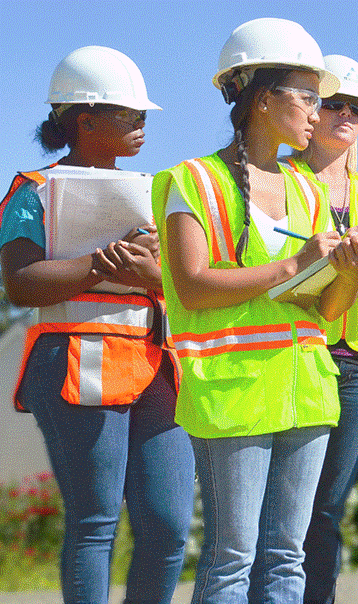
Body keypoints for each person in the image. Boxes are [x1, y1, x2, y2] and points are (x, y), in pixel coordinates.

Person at [150, 18, 358, 602]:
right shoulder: (191, 180)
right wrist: (292, 265)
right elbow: (193, 284)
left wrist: (349, 277)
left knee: (286, 559)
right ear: (264, 98)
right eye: (307, 97)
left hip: (307, 390)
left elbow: (326, 310)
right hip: (233, 395)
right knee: (232, 558)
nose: (316, 111)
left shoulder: (307, 191)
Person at [0, 46, 194, 603]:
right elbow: (22, 283)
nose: (141, 124)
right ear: (83, 119)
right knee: (94, 522)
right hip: (74, 360)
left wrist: (152, 272)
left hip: (157, 363)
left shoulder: (156, 191)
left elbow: (184, 285)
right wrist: (108, 262)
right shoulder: (33, 189)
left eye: (143, 116)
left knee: (168, 526)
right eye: (128, 114)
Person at [284, 54, 358, 604]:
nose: (347, 114)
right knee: (286, 505)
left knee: (328, 507)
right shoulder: (277, 180)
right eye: (334, 103)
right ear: (309, 107)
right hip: (297, 352)